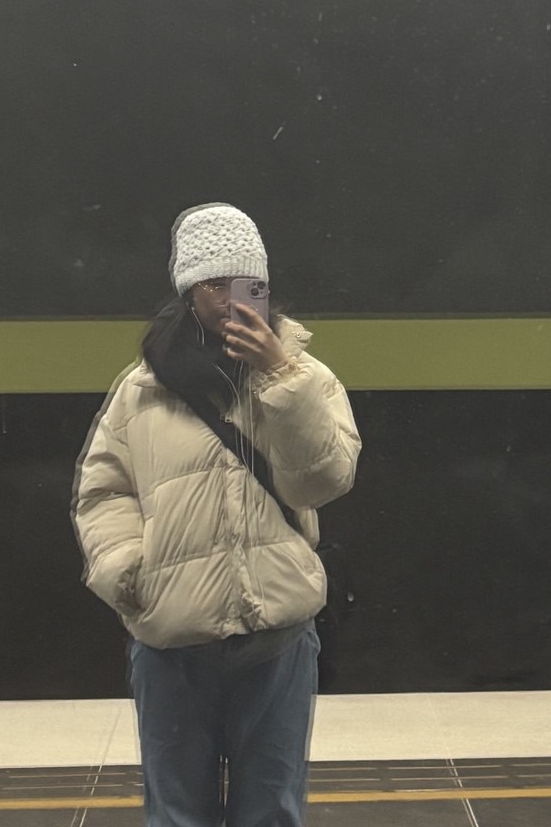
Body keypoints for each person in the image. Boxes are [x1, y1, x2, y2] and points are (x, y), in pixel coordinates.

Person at [72, 203, 361, 827]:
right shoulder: (142, 388)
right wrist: (130, 572)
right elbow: (103, 490)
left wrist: (277, 375)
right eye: (213, 284)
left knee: (272, 814)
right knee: (177, 815)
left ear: (265, 287)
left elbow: (327, 481)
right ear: (187, 290)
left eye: (247, 285)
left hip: (277, 638)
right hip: (171, 641)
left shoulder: (304, 377)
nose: (232, 301)